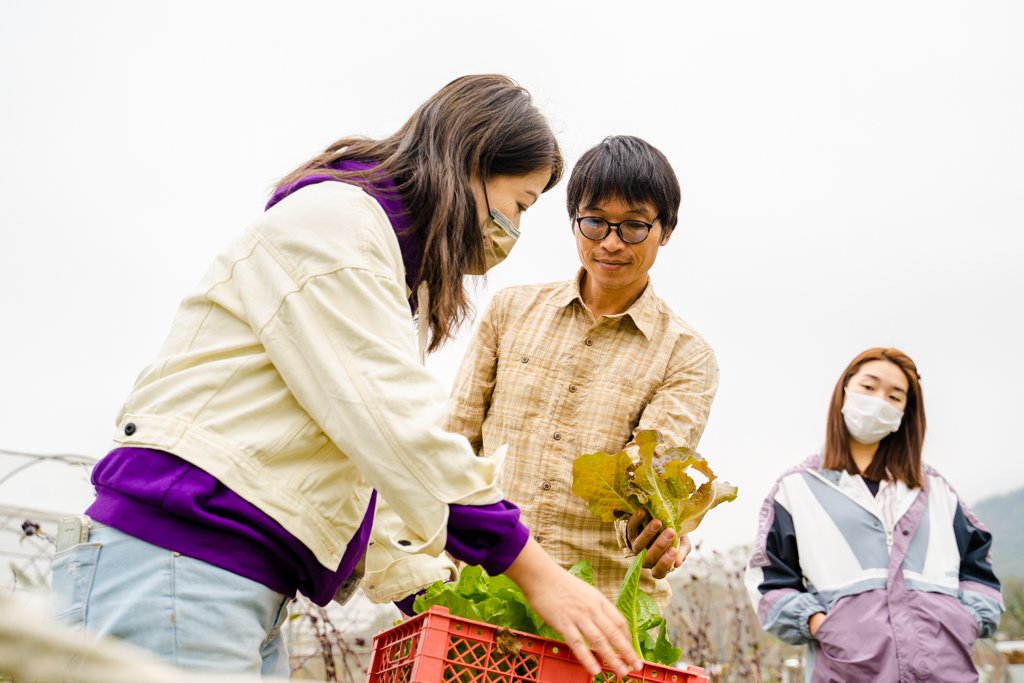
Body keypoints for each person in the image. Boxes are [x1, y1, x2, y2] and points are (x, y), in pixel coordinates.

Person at [49, 75, 641, 679]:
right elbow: (394, 427)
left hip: (228, 581)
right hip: (176, 564)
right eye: (521, 203)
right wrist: (533, 572)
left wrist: (438, 601)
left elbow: (368, 469)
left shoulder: (387, 268)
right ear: (472, 162)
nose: (514, 228)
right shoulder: (339, 226)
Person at [443, 135, 719, 608]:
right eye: (594, 223)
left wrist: (660, 530)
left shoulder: (686, 356)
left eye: (633, 227)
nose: (610, 243)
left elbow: (645, 479)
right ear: (574, 222)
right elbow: (455, 442)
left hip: (600, 606)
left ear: (665, 230)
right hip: (486, 591)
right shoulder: (511, 311)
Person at [745, 347, 1003, 681]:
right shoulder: (797, 489)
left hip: (944, 672)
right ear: (845, 391)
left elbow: (980, 568)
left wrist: (966, 620)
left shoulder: (936, 491)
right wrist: (820, 623)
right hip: (846, 672)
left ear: (905, 413)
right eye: (869, 387)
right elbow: (769, 582)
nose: (880, 401)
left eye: (895, 396)